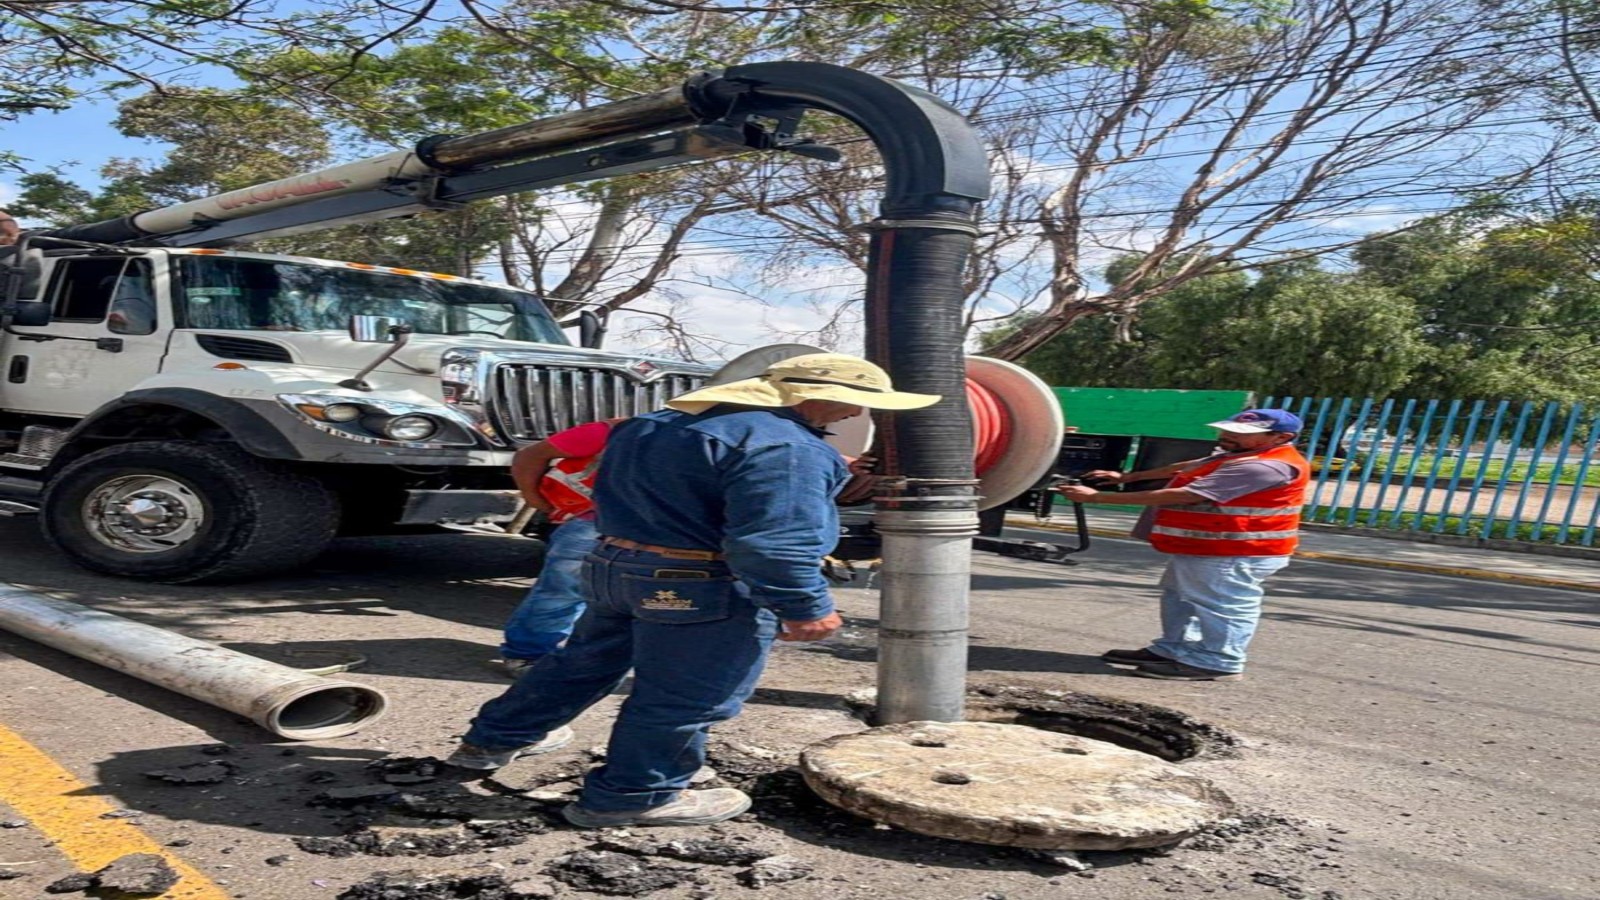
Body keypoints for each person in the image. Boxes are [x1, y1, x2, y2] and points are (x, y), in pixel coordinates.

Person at [445, 352, 939, 828]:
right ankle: (634, 795)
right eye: (857, 401)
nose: (859, 412)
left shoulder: (650, 426)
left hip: (614, 566)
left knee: (579, 664)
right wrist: (805, 606)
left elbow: (685, 492)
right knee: (684, 697)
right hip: (699, 583)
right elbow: (773, 544)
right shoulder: (790, 448)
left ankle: (491, 742)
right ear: (816, 396)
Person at [1059, 408, 1309, 682]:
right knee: (1180, 597)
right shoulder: (1238, 453)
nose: (1226, 435)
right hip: (1209, 546)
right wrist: (1126, 478)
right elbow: (1183, 467)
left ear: (1281, 437)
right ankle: (1175, 649)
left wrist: (1096, 498)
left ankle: (1218, 661)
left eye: (1241, 434)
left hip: (1236, 550)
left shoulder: (1265, 466)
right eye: (1228, 429)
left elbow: (1188, 495)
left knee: (1222, 604)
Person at [494, 417, 625, 678]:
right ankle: (527, 655)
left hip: (655, 526)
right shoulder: (613, 431)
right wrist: (535, 499)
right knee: (564, 591)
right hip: (593, 521)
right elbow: (529, 456)